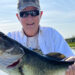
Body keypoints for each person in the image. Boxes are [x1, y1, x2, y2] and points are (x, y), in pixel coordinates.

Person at [7, 0, 75, 75]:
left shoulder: (52, 34)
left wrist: (72, 63)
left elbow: (70, 57)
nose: (30, 18)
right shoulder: (11, 38)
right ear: (18, 17)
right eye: (24, 14)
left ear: (40, 14)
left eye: (34, 13)